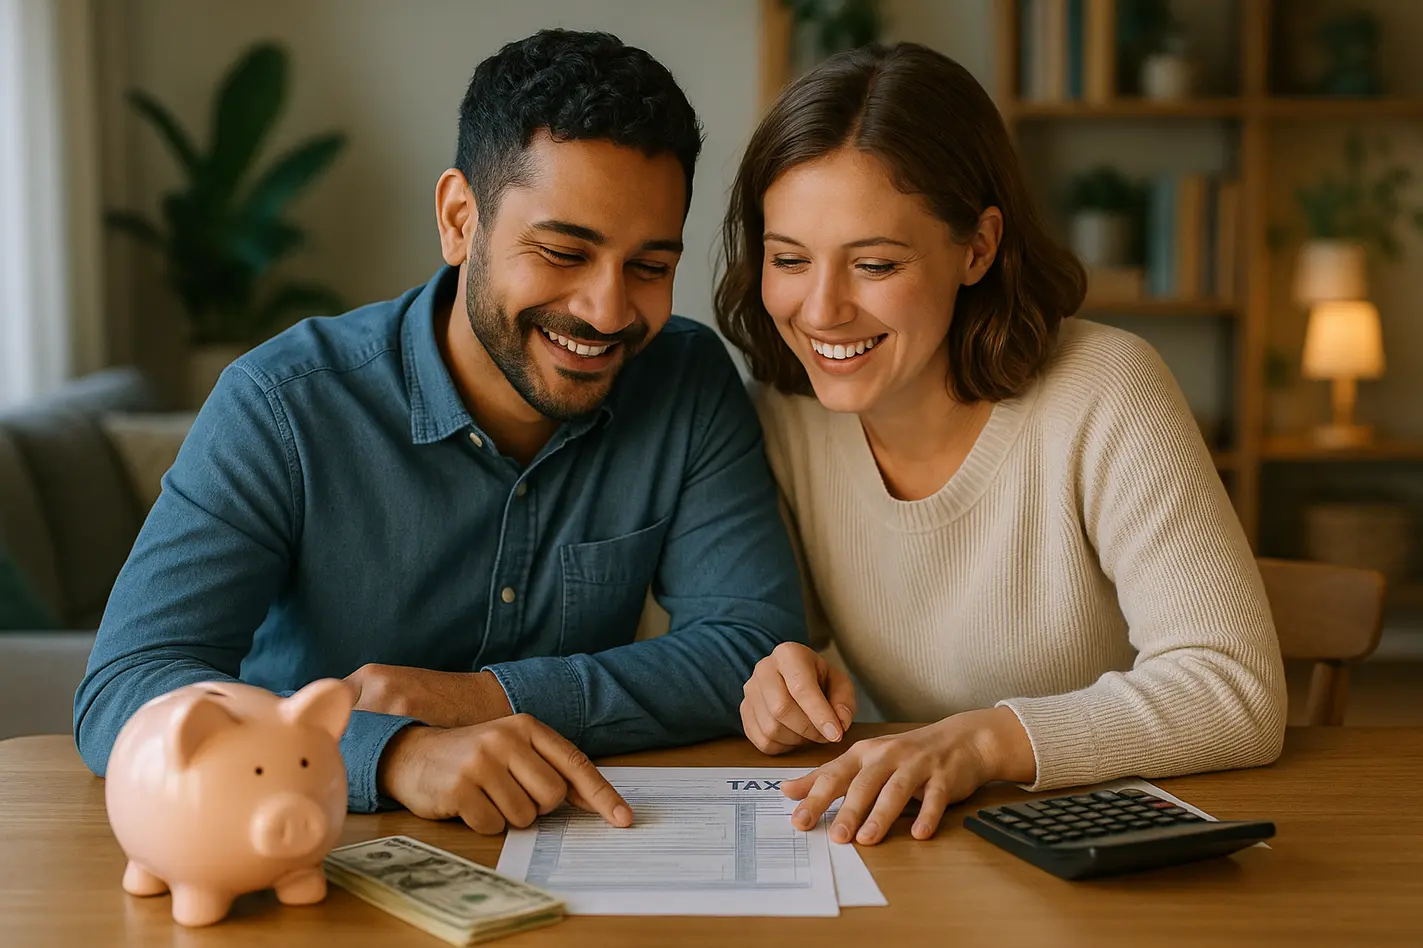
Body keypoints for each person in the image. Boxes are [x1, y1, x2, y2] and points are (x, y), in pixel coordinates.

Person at [75, 29, 805, 833]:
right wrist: (393, 752)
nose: (607, 311)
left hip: (574, 847)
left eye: (649, 267)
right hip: (302, 851)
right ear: (460, 219)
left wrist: (485, 699)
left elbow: (753, 648)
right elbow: (128, 688)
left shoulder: (685, 381)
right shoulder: (281, 405)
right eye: (563, 251)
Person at [718, 43, 1286, 847]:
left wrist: (982, 741)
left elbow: (1236, 693)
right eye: (787, 260)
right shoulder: (781, 413)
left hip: (1114, 848)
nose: (821, 310)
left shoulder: (1105, 388)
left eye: (874, 263)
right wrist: (779, 680)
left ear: (977, 247)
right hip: (919, 845)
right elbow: (795, 646)